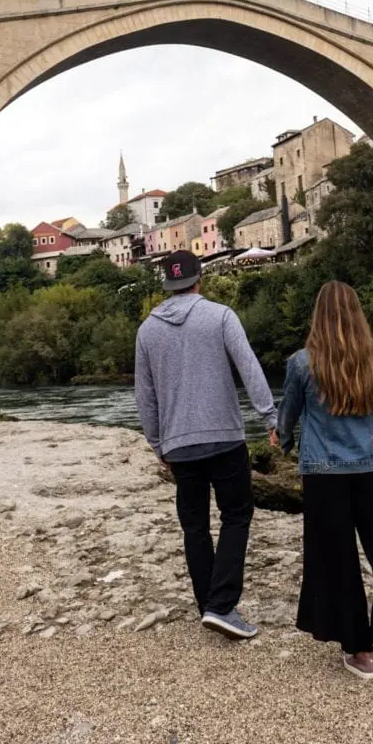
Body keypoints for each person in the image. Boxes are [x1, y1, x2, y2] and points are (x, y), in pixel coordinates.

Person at [273, 280, 373, 689]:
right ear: (358, 315)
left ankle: (362, 653)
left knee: (338, 562)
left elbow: (287, 417)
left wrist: (283, 440)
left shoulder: (302, 363)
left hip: (326, 478)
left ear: (318, 316)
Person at [134, 249, 277, 641]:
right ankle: (222, 605)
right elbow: (250, 368)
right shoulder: (221, 316)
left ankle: (209, 605)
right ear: (200, 280)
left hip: (179, 444)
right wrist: (271, 417)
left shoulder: (147, 331)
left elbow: (144, 396)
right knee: (236, 515)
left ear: (167, 285)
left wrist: (156, 442)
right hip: (225, 437)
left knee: (194, 525)